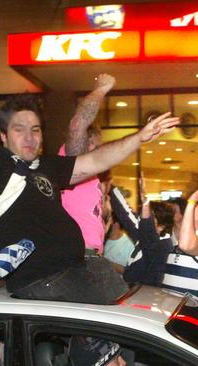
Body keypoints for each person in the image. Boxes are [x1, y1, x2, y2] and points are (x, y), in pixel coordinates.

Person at [0, 1, 179, 304]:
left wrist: (140, 137)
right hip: (42, 282)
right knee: (126, 317)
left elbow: (95, 161)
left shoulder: (47, 165)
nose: (29, 137)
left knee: (140, 303)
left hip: (77, 270)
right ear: (2, 136)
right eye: (19, 129)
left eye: (36, 129)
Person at [60, 73, 115, 255]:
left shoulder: (91, 176)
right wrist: (101, 89)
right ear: (88, 144)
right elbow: (78, 125)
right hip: (77, 253)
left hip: (88, 253)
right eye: (98, 146)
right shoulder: (74, 160)